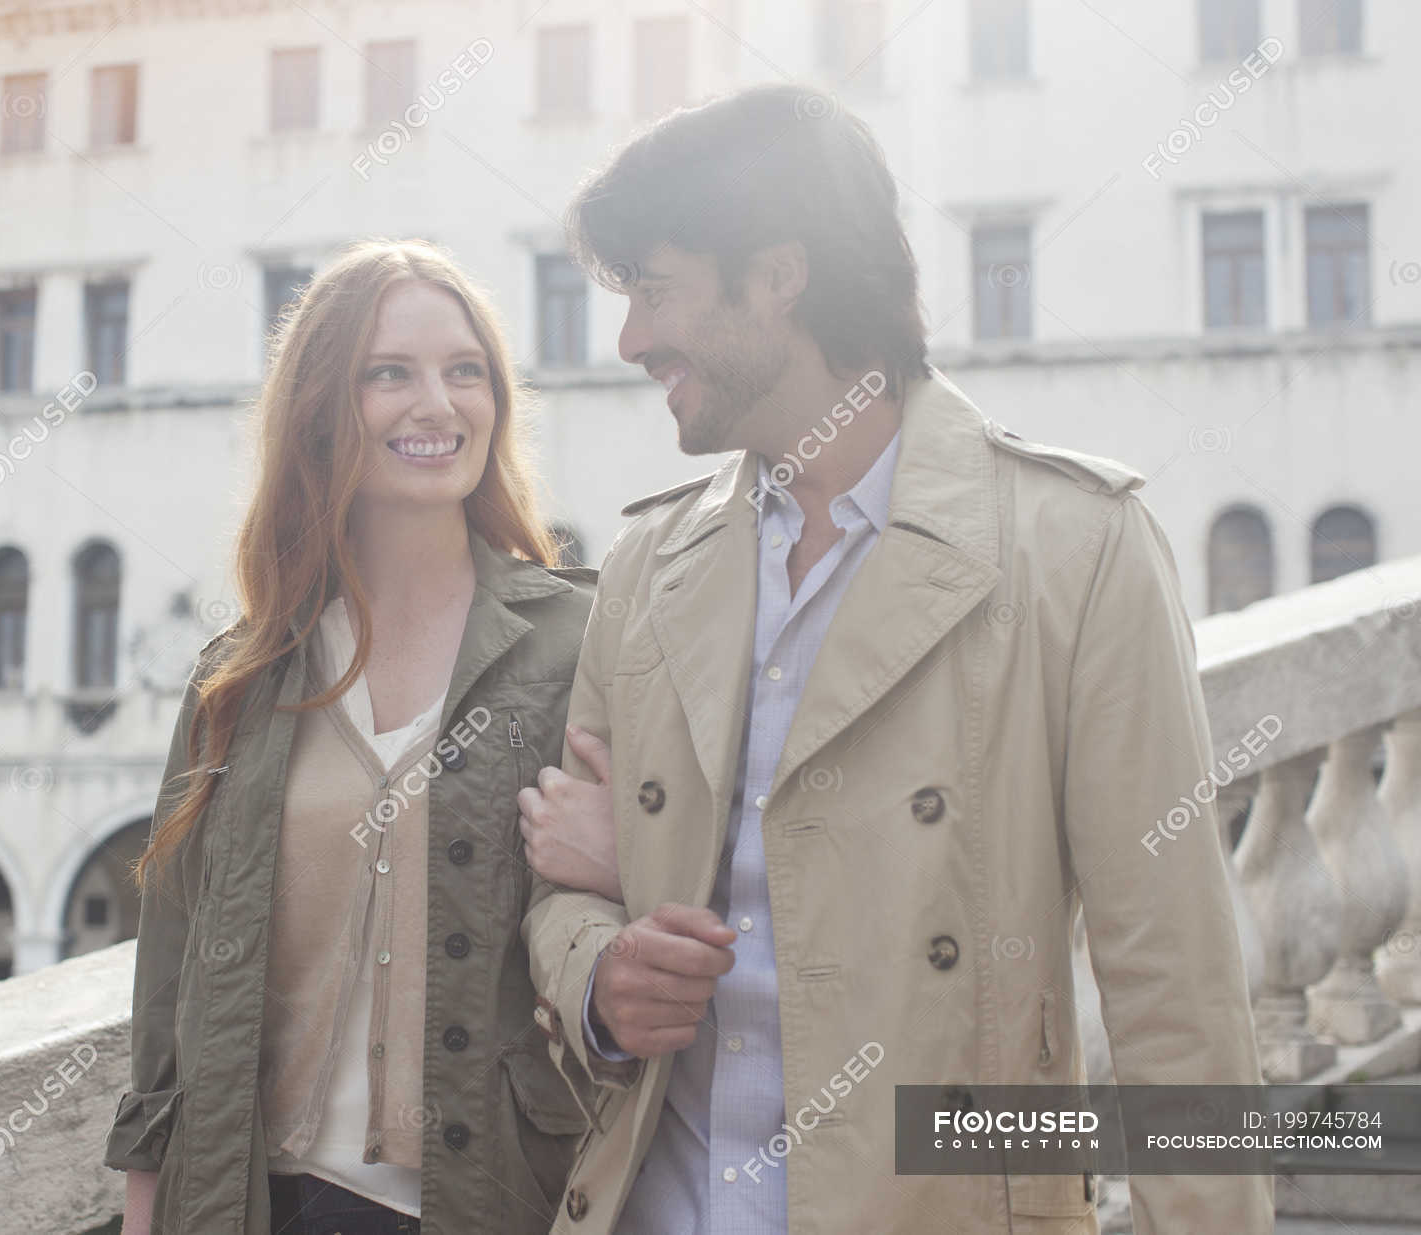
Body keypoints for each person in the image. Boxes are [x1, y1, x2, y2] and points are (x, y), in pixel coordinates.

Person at [519, 85, 1272, 1234]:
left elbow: (1178, 987)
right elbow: (560, 895)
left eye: (656, 292)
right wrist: (599, 974)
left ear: (778, 275)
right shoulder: (645, 565)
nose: (629, 340)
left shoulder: (1073, 548)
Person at [103, 239, 599, 1235]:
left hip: (491, 1203)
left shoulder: (579, 642)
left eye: (466, 371)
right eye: (391, 373)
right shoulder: (238, 676)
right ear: (325, 406)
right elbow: (173, 974)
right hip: (255, 1203)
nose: (437, 404)